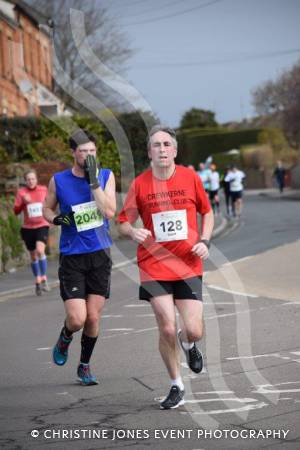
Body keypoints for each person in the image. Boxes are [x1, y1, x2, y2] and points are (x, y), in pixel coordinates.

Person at [117, 125, 214, 409]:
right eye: (156, 145)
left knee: (193, 330)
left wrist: (205, 240)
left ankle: (189, 345)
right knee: (167, 328)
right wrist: (133, 232)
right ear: (149, 152)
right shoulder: (140, 184)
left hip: (187, 263)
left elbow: (206, 212)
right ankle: (176, 384)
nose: (161, 149)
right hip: (153, 265)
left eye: (166, 145)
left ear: (174, 150)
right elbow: (123, 222)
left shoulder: (190, 177)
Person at [43, 129, 116, 386]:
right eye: (83, 151)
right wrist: (56, 219)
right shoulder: (59, 180)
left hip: (99, 255)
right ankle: (65, 335)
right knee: (77, 318)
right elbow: (46, 208)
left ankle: (84, 365)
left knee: (93, 318)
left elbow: (108, 211)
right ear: (73, 153)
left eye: (92, 152)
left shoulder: (105, 176)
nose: (88, 156)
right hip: (72, 256)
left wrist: (94, 181)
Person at [13, 169, 50, 296]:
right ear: (25, 181)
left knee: (40, 251)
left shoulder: (43, 190)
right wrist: (23, 201)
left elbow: (50, 204)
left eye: (33, 179)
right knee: (33, 255)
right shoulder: (21, 192)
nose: (31, 181)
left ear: (36, 179)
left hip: (42, 225)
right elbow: (16, 211)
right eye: (28, 179)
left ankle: (44, 277)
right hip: (28, 228)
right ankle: (37, 279)